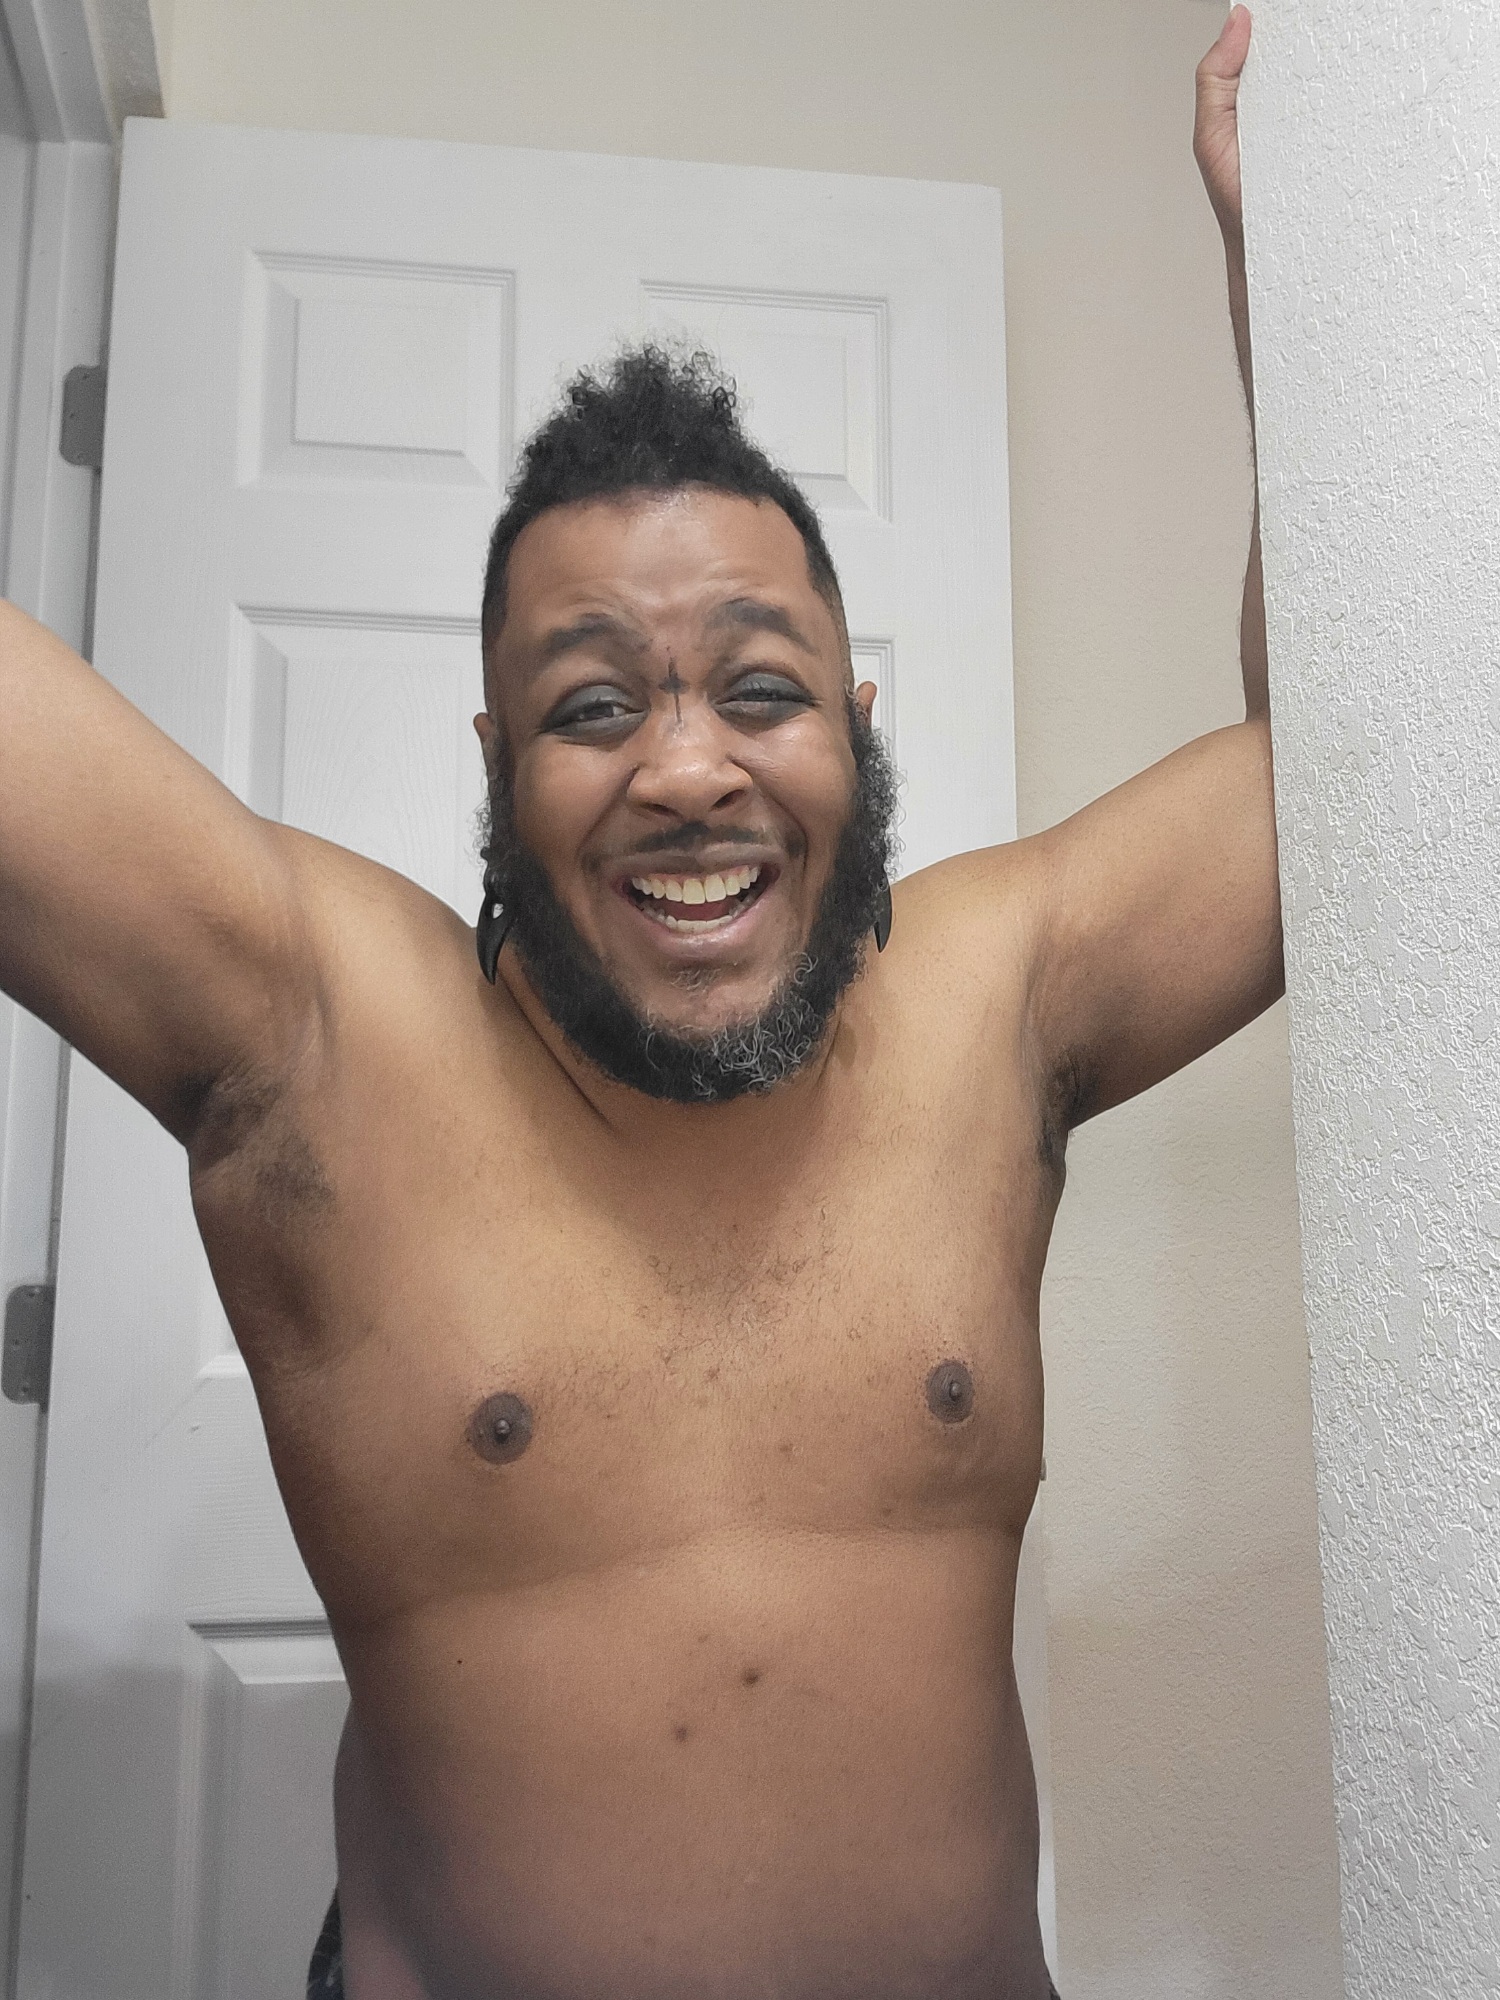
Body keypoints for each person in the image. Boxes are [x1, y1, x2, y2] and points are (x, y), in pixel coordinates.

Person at [1, 14, 1266, 1999]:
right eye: (595, 704)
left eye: (760, 690)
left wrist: (1300, 270)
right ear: (494, 757)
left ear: (855, 726)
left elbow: (1341, 778)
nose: (686, 770)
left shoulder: (997, 996)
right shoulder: (320, 1039)